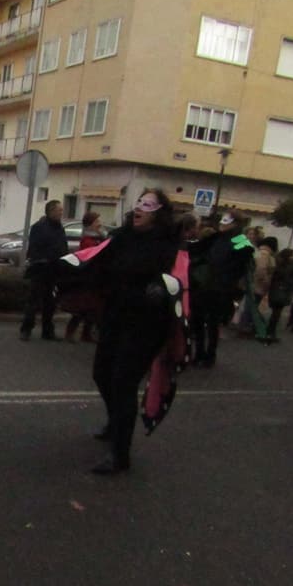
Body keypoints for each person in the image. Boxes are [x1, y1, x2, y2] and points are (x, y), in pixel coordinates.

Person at [57, 189, 188, 475]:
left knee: (123, 382)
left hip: (147, 323)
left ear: (159, 212)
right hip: (117, 316)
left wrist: (160, 289)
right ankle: (116, 421)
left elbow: (177, 279)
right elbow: (97, 263)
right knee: (101, 373)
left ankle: (120, 454)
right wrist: (64, 273)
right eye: (139, 202)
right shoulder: (122, 237)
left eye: (148, 204)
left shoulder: (167, 245)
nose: (140, 207)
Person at [188, 210, 256, 366]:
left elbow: (245, 257)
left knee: (212, 323)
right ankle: (199, 353)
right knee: (198, 320)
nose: (222, 224)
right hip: (204, 284)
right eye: (221, 221)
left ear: (234, 224)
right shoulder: (216, 237)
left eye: (226, 222)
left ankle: (209, 356)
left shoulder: (239, 238)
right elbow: (198, 249)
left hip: (221, 288)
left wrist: (229, 277)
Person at [19, 199, 67, 341]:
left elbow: (62, 246)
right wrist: (42, 259)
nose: (61, 213)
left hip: (54, 270)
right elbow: (34, 248)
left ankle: (47, 331)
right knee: (33, 301)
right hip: (40, 269)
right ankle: (26, 329)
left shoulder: (59, 227)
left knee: (50, 302)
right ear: (51, 211)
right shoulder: (39, 227)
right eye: (59, 210)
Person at [64, 210, 104, 343]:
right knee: (82, 307)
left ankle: (86, 334)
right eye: (97, 221)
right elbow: (92, 256)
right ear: (90, 224)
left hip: (95, 277)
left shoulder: (98, 237)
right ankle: (71, 333)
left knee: (92, 308)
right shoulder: (88, 239)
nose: (100, 224)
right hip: (87, 277)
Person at [265, 248, 293, 344]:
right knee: (276, 314)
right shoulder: (284, 267)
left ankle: (270, 332)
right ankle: (270, 332)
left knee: (276, 313)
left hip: (276, 290)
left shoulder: (279, 265)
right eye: (291, 255)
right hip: (280, 291)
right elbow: (286, 278)